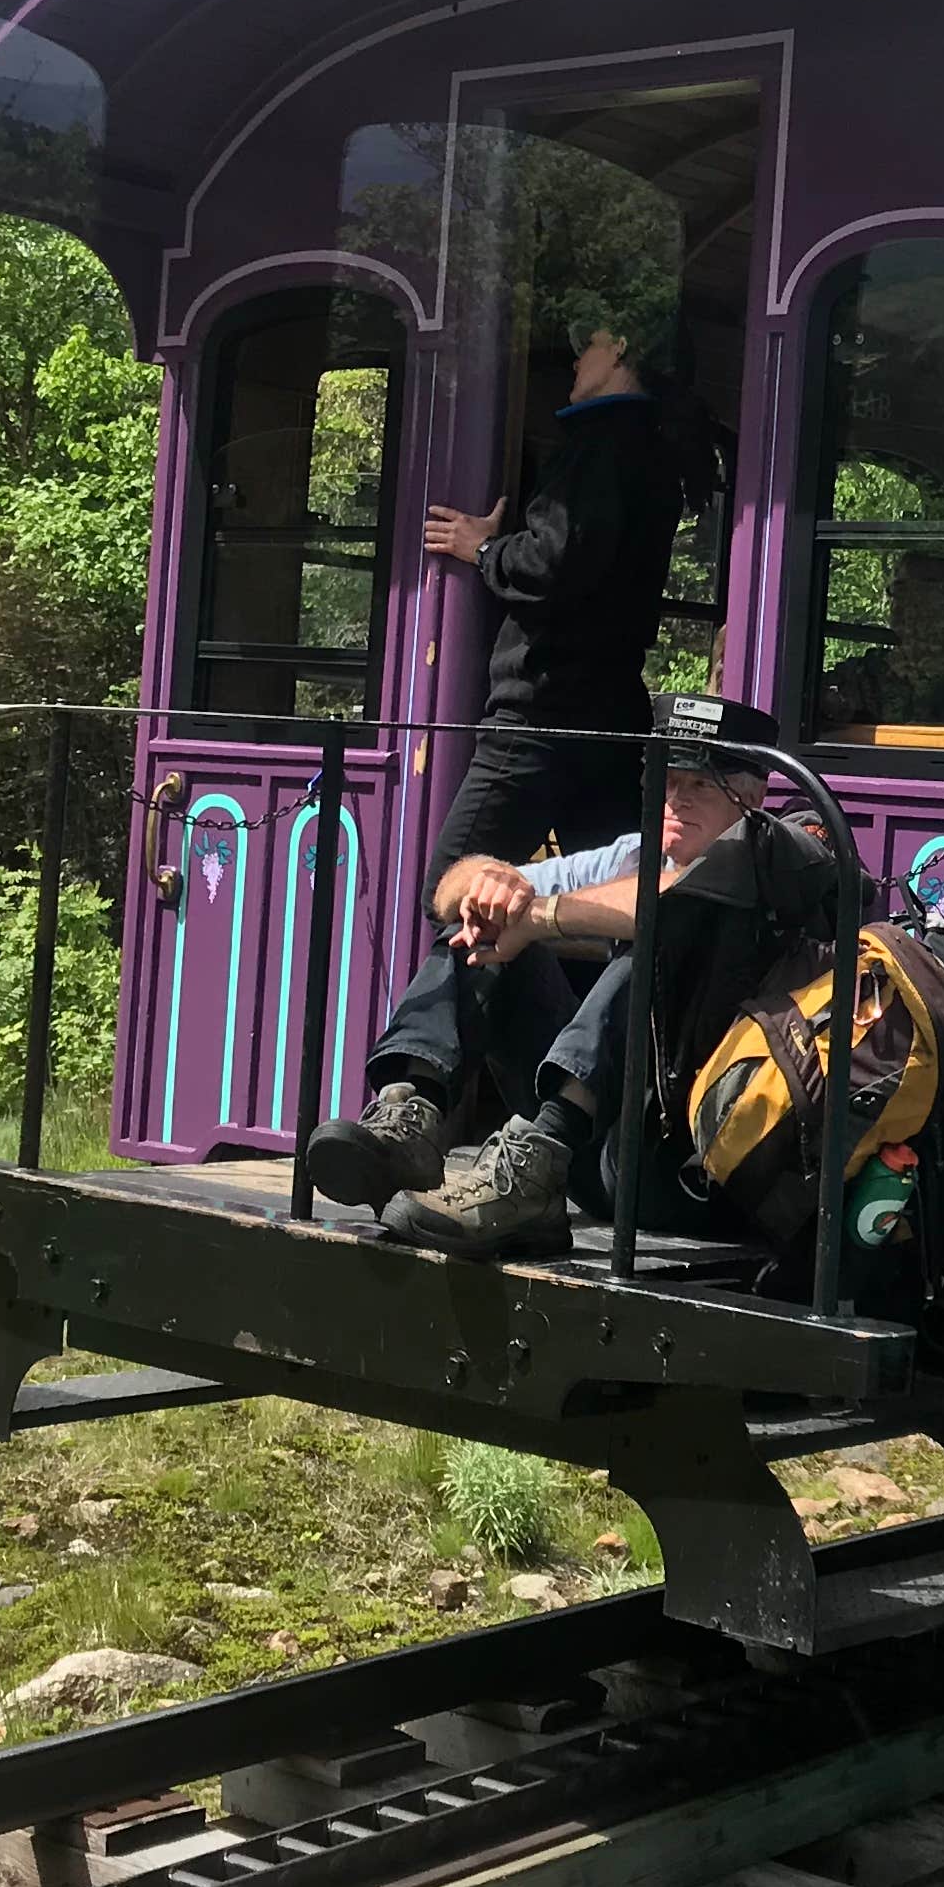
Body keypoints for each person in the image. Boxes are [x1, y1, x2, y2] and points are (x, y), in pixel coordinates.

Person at [303, 300, 685, 1209]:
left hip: (543, 708)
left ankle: (423, 1106)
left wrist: (483, 548)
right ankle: (556, 1114)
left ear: (620, 345)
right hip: (602, 712)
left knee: (458, 879)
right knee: (600, 906)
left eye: (587, 338)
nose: (574, 356)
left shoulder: (606, 442)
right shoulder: (654, 451)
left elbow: (557, 565)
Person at [388, 692, 841, 1256]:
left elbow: (673, 899)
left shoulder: (778, 858)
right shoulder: (633, 853)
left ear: (752, 796)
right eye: (667, 781)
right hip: (594, 1160)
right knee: (478, 923)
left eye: (700, 785)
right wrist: (491, 887)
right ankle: (408, 1113)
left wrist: (540, 916)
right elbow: (447, 894)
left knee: (651, 937)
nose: (676, 800)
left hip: (689, 1175)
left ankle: (540, 1147)